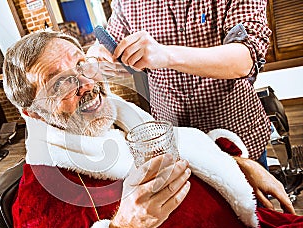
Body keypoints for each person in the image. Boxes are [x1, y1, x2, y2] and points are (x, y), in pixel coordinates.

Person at [3, 30, 302, 228]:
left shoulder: (125, 119)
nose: (86, 83)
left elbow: (189, 149)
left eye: (81, 64)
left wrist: (237, 164)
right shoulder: (41, 196)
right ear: (34, 113)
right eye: (58, 83)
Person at [87, 0, 272, 168]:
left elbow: (246, 59)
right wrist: (99, 55)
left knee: (251, 202)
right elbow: (110, 45)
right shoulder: (127, 3)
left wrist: (166, 55)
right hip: (174, 142)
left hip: (235, 134)